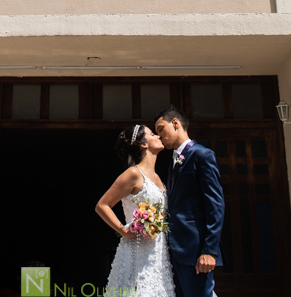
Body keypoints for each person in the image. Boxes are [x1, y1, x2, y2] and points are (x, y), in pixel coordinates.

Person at [96, 125, 174, 297]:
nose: (158, 136)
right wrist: (123, 230)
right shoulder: (133, 174)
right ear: (143, 144)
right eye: (152, 134)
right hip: (136, 252)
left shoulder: (158, 177)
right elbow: (102, 205)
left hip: (158, 254)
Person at [154, 106, 224, 297]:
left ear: (175, 123)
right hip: (175, 251)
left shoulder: (202, 155)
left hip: (196, 251)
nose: (159, 136)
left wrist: (210, 250)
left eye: (161, 129)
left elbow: (215, 205)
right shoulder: (172, 162)